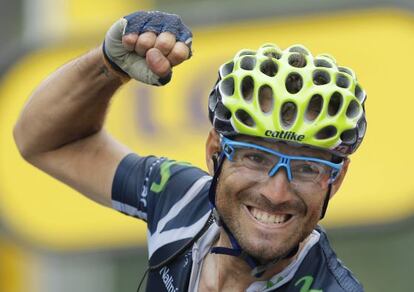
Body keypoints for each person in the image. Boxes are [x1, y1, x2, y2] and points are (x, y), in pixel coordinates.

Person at [13, 11, 366, 292]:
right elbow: (46, 141)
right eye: (254, 157)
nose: (276, 192)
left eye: (307, 168)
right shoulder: (183, 200)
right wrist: (108, 65)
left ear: (336, 180)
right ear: (215, 151)